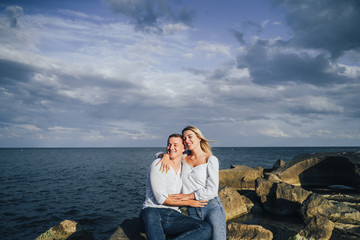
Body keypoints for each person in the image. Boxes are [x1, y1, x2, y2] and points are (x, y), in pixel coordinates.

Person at [158, 126, 227, 240]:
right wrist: (165, 155)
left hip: (211, 206)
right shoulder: (183, 157)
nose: (187, 141)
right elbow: (164, 153)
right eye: (184, 139)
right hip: (192, 209)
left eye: (190, 137)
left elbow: (213, 190)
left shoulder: (210, 159)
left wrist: (189, 196)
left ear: (199, 138)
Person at [139, 133, 212, 240]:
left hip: (174, 215)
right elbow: (161, 199)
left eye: (175, 145)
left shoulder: (185, 165)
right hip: (152, 211)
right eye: (169, 145)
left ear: (184, 148)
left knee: (205, 228)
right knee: (150, 213)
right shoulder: (158, 164)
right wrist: (189, 202)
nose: (171, 148)